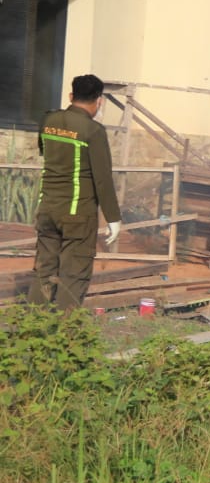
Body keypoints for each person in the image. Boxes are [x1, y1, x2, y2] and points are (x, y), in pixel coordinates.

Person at [28, 73, 122, 310]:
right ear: (99, 101)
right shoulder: (93, 131)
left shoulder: (47, 121)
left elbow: (45, 152)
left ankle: (32, 328)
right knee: (73, 274)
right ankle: (66, 333)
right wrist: (113, 218)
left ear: (71, 96)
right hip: (77, 214)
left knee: (44, 270)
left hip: (47, 210)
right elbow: (103, 179)